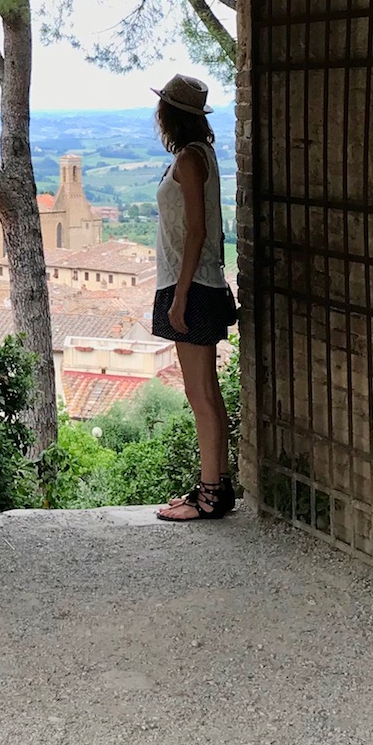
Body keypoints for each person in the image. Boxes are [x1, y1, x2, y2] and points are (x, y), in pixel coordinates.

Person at [149, 73, 238, 522]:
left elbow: (198, 231)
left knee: (199, 394)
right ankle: (217, 488)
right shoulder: (202, 155)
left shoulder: (188, 159)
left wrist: (179, 296)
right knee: (208, 393)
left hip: (191, 285)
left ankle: (207, 497)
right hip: (200, 283)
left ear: (169, 114)